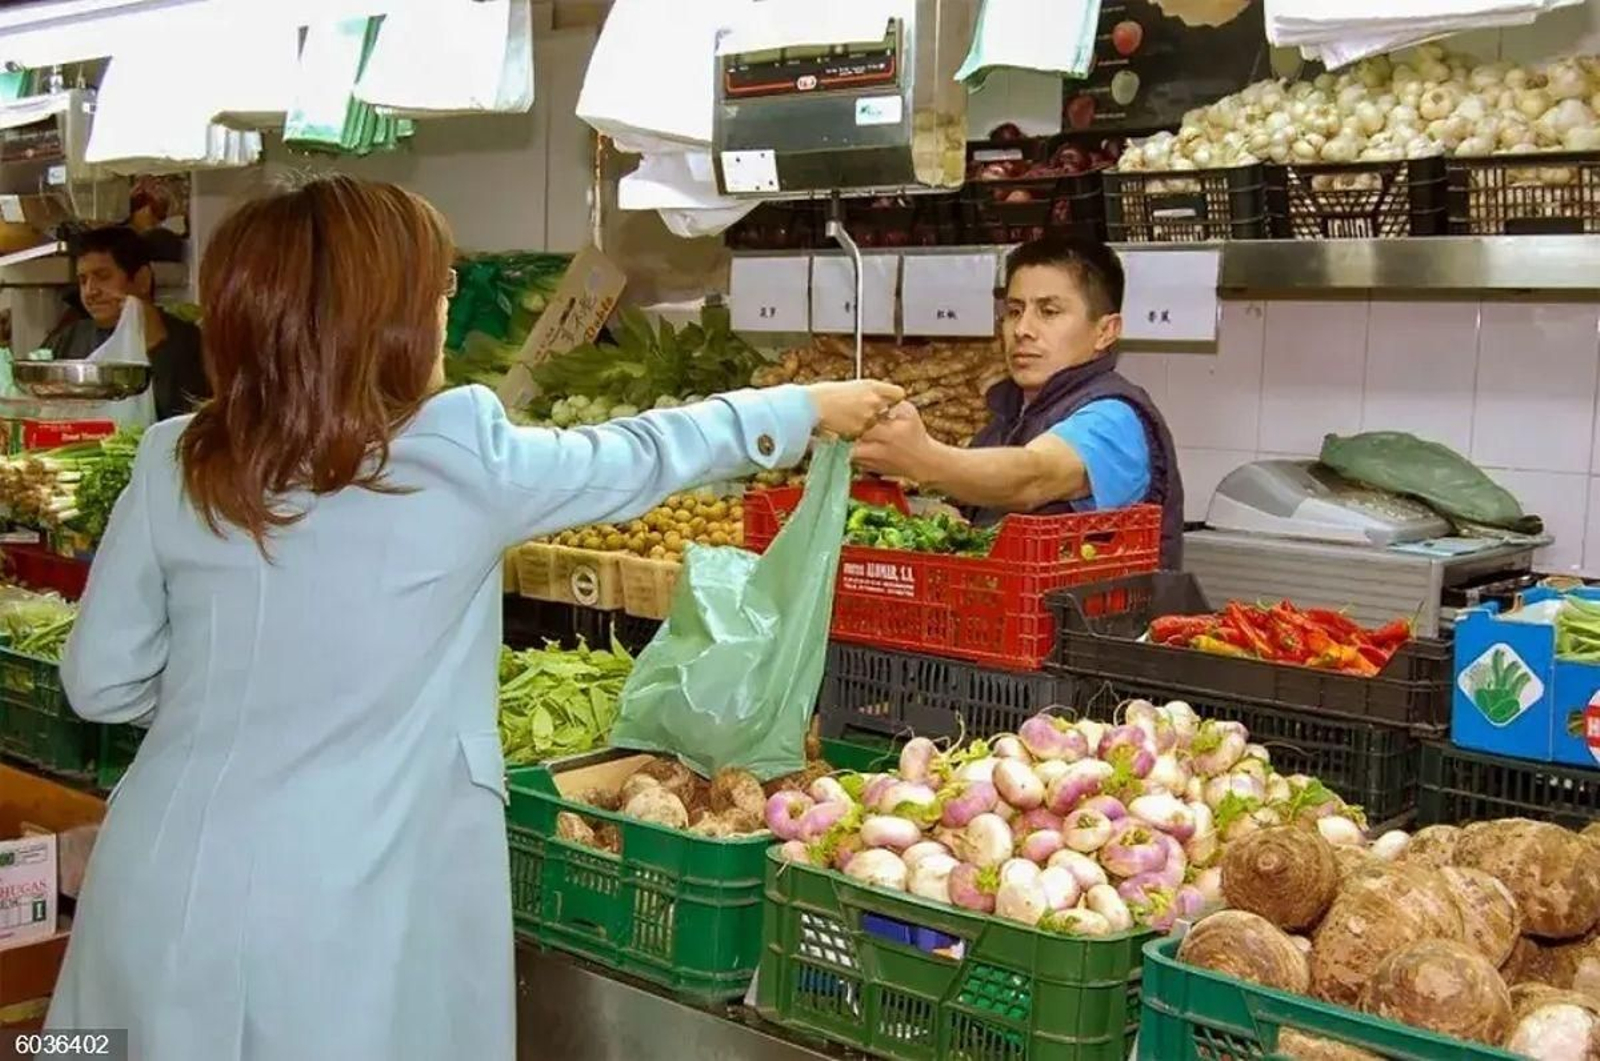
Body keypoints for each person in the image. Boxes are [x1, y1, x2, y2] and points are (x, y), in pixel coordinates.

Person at [45, 175, 902, 1061]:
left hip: (157, 886)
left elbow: (99, 682)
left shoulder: (173, 456)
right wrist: (801, 408)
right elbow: (638, 453)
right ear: (387, 320)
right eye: (439, 293)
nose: (447, 313)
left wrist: (227, 706)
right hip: (345, 908)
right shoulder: (454, 454)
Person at [854, 236, 1184, 568]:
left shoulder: (1114, 418)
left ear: (1105, 331)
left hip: (1096, 619)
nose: (1023, 329)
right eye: (1014, 311)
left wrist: (923, 460)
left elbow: (1033, 476)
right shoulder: (1008, 415)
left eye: (1049, 311)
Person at [45, 225, 208, 420]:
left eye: (102, 277)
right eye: (83, 280)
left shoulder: (187, 343)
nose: (90, 292)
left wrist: (156, 345)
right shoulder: (69, 339)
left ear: (142, 280)